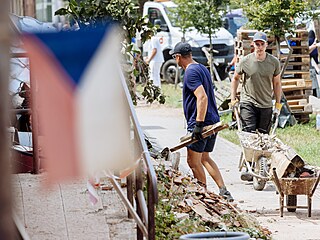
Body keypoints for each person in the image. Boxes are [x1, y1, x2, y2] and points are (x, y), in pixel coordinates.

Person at [170, 42, 234, 201]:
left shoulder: (190, 73)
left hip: (201, 123)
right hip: (213, 120)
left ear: (178, 57)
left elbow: (202, 97)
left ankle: (202, 193)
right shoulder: (202, 68)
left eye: (174, 57)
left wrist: (198, 125)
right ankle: (223, 190)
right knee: (204, 157)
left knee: (193, 161)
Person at [230, 31, 282, 134]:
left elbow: (277, 83)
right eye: (257, 44)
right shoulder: (245, 61)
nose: (260, 47)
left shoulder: (274, 62)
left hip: (266, 104)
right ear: (253, 44)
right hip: (248, 103)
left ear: (266, 44)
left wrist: (278, 104)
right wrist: (233, 99)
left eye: (262, 44)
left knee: (264, 137)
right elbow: (235, 79)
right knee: (249, 135)